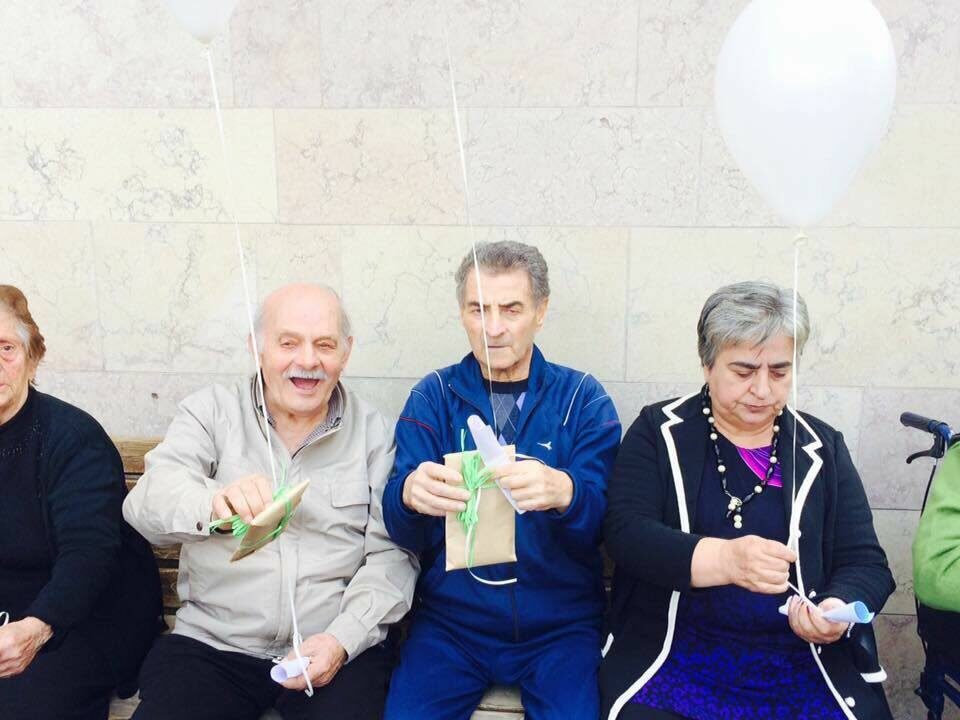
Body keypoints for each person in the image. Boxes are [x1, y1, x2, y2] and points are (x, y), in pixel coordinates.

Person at [601, 281, 896, 720]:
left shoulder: (822, 447)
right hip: (678, 652)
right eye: (743, 371)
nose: (762, 389)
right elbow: (626, 534)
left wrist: (835, 608)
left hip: (799, 660)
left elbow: (867, 563)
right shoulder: (658, 432)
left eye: (779, 372)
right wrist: (725, 560)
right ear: (707, 363)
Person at [123, 283, 418, 720]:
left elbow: (391, 557)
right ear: (256, 347)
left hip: (331, 648)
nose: (308, 361)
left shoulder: (376, 434)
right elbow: (146, 504)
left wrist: (342, 639)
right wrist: (213, 502)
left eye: (324, 345)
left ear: (346, 352)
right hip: (214, 646)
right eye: (288, 343)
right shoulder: (211, 412)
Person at [381, 241, 621, 719]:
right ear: (462, 313)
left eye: (511, 309)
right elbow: (401, 530)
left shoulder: (583, 399)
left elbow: (608, 525)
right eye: (478, 309)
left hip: (561, 629)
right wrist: (408, 496)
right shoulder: (433, 396)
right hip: (452, 626)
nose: (493, 328)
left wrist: (567, 493)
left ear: (541, 311)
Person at [0, 285, 161, 720]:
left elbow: (88, 554)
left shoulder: (71, 437)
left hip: (80, 618)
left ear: (33, 359)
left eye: (6, 348)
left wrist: (35, 628)